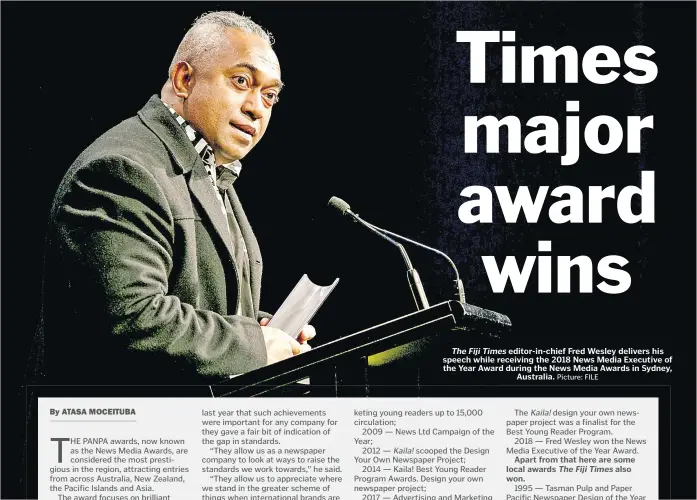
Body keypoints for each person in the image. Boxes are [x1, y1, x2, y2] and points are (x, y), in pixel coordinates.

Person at [35, 11, 314, 385]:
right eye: (241, 81)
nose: (256, 107)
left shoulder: (209, 169)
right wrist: (252, 346)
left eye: (269, 95)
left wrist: (268, 334)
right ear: (184, 79)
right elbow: (133, 316)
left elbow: (191, 301)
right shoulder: (121, 170)